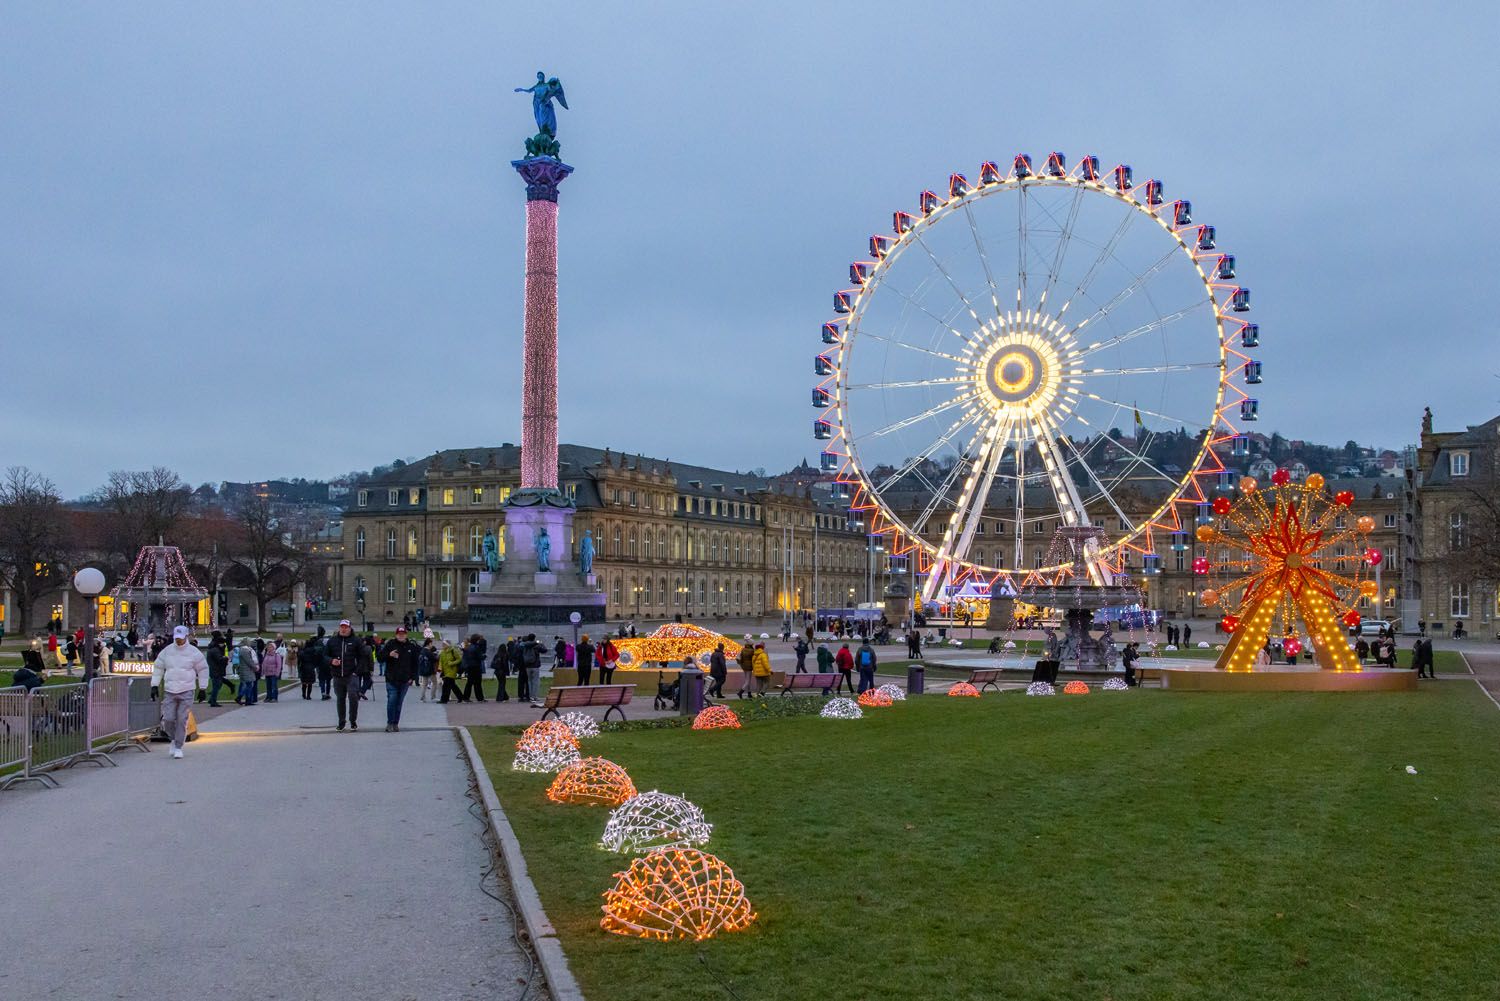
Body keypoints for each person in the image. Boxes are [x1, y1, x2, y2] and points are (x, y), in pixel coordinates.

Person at [150, 626, 209, 759]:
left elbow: (203, 669)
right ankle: (172, 738)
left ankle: (178, 746)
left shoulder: (194, 652)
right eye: (176, 638)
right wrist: (154, 684)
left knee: (182, 719)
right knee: (168, 719)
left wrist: (203, 688)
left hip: (187, 689)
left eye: (181, 639)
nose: (178, 641)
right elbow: (158, 667)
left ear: (186, 637)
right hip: (170, 689)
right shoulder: (167, 651)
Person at [325, 619, 369, 732]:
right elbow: (324, 655)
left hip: (352, 675)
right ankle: (341, 722)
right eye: (342, 627)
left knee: (353, 697)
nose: (344, 629)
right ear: (339, 628)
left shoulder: (356, 641)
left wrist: (357, 671)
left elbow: (363, 657)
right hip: (337, 675)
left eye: (346, 627)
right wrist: (331, 661)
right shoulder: (332, 641)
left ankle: (353, 721)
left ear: (350, 628)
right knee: (340, 699)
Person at [380, 626, 419, 732]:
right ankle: (390, 722)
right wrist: (389, 655)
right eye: (399, 634)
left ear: (406, 635)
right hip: (392, 678)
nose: (401, 636)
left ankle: (396, 722)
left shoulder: (411, 647)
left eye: (403, 634)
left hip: (405, 679)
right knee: (391, 701)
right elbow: (380, 657)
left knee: (399, 702)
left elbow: (415, 663)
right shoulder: (390, 644)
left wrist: (412, 677)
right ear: (396, 635)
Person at [205, 630, 231, 707]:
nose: (223, 645)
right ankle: (213, 701)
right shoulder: (215, 650)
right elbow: (219, 659)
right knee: (217, 686)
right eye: (223, 643)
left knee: (217, 685)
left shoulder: (213, 649)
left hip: (215, 670)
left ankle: (212, 699)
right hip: (216, 670)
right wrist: (225, 658)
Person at [461, 634, 487, 703]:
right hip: (476, 667)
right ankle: (480, 698)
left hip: (470, 667)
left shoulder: (469, 647)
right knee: (478, 683)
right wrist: (484, 656)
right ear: (477, 640)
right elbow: (480, 657)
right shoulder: (476, 647)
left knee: (469, 683)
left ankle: (466, 697)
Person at [234, 640, 260, 705]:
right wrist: (255, 667)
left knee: (249, 685)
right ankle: (241, 697)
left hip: (245, 670)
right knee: (249, 685)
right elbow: (249, 661)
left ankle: (246, 700)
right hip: (247, 670)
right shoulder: (245, 651)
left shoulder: (242, 650)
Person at [522, 634, 542, 707]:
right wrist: (539, 643)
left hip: (527, 665)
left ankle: (530, 696)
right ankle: (535, 696)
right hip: (535, 665)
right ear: (534, 638)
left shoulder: (524, 645)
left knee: (529, 681)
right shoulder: (536, 645)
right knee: (535, 681)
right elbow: (544, 650)